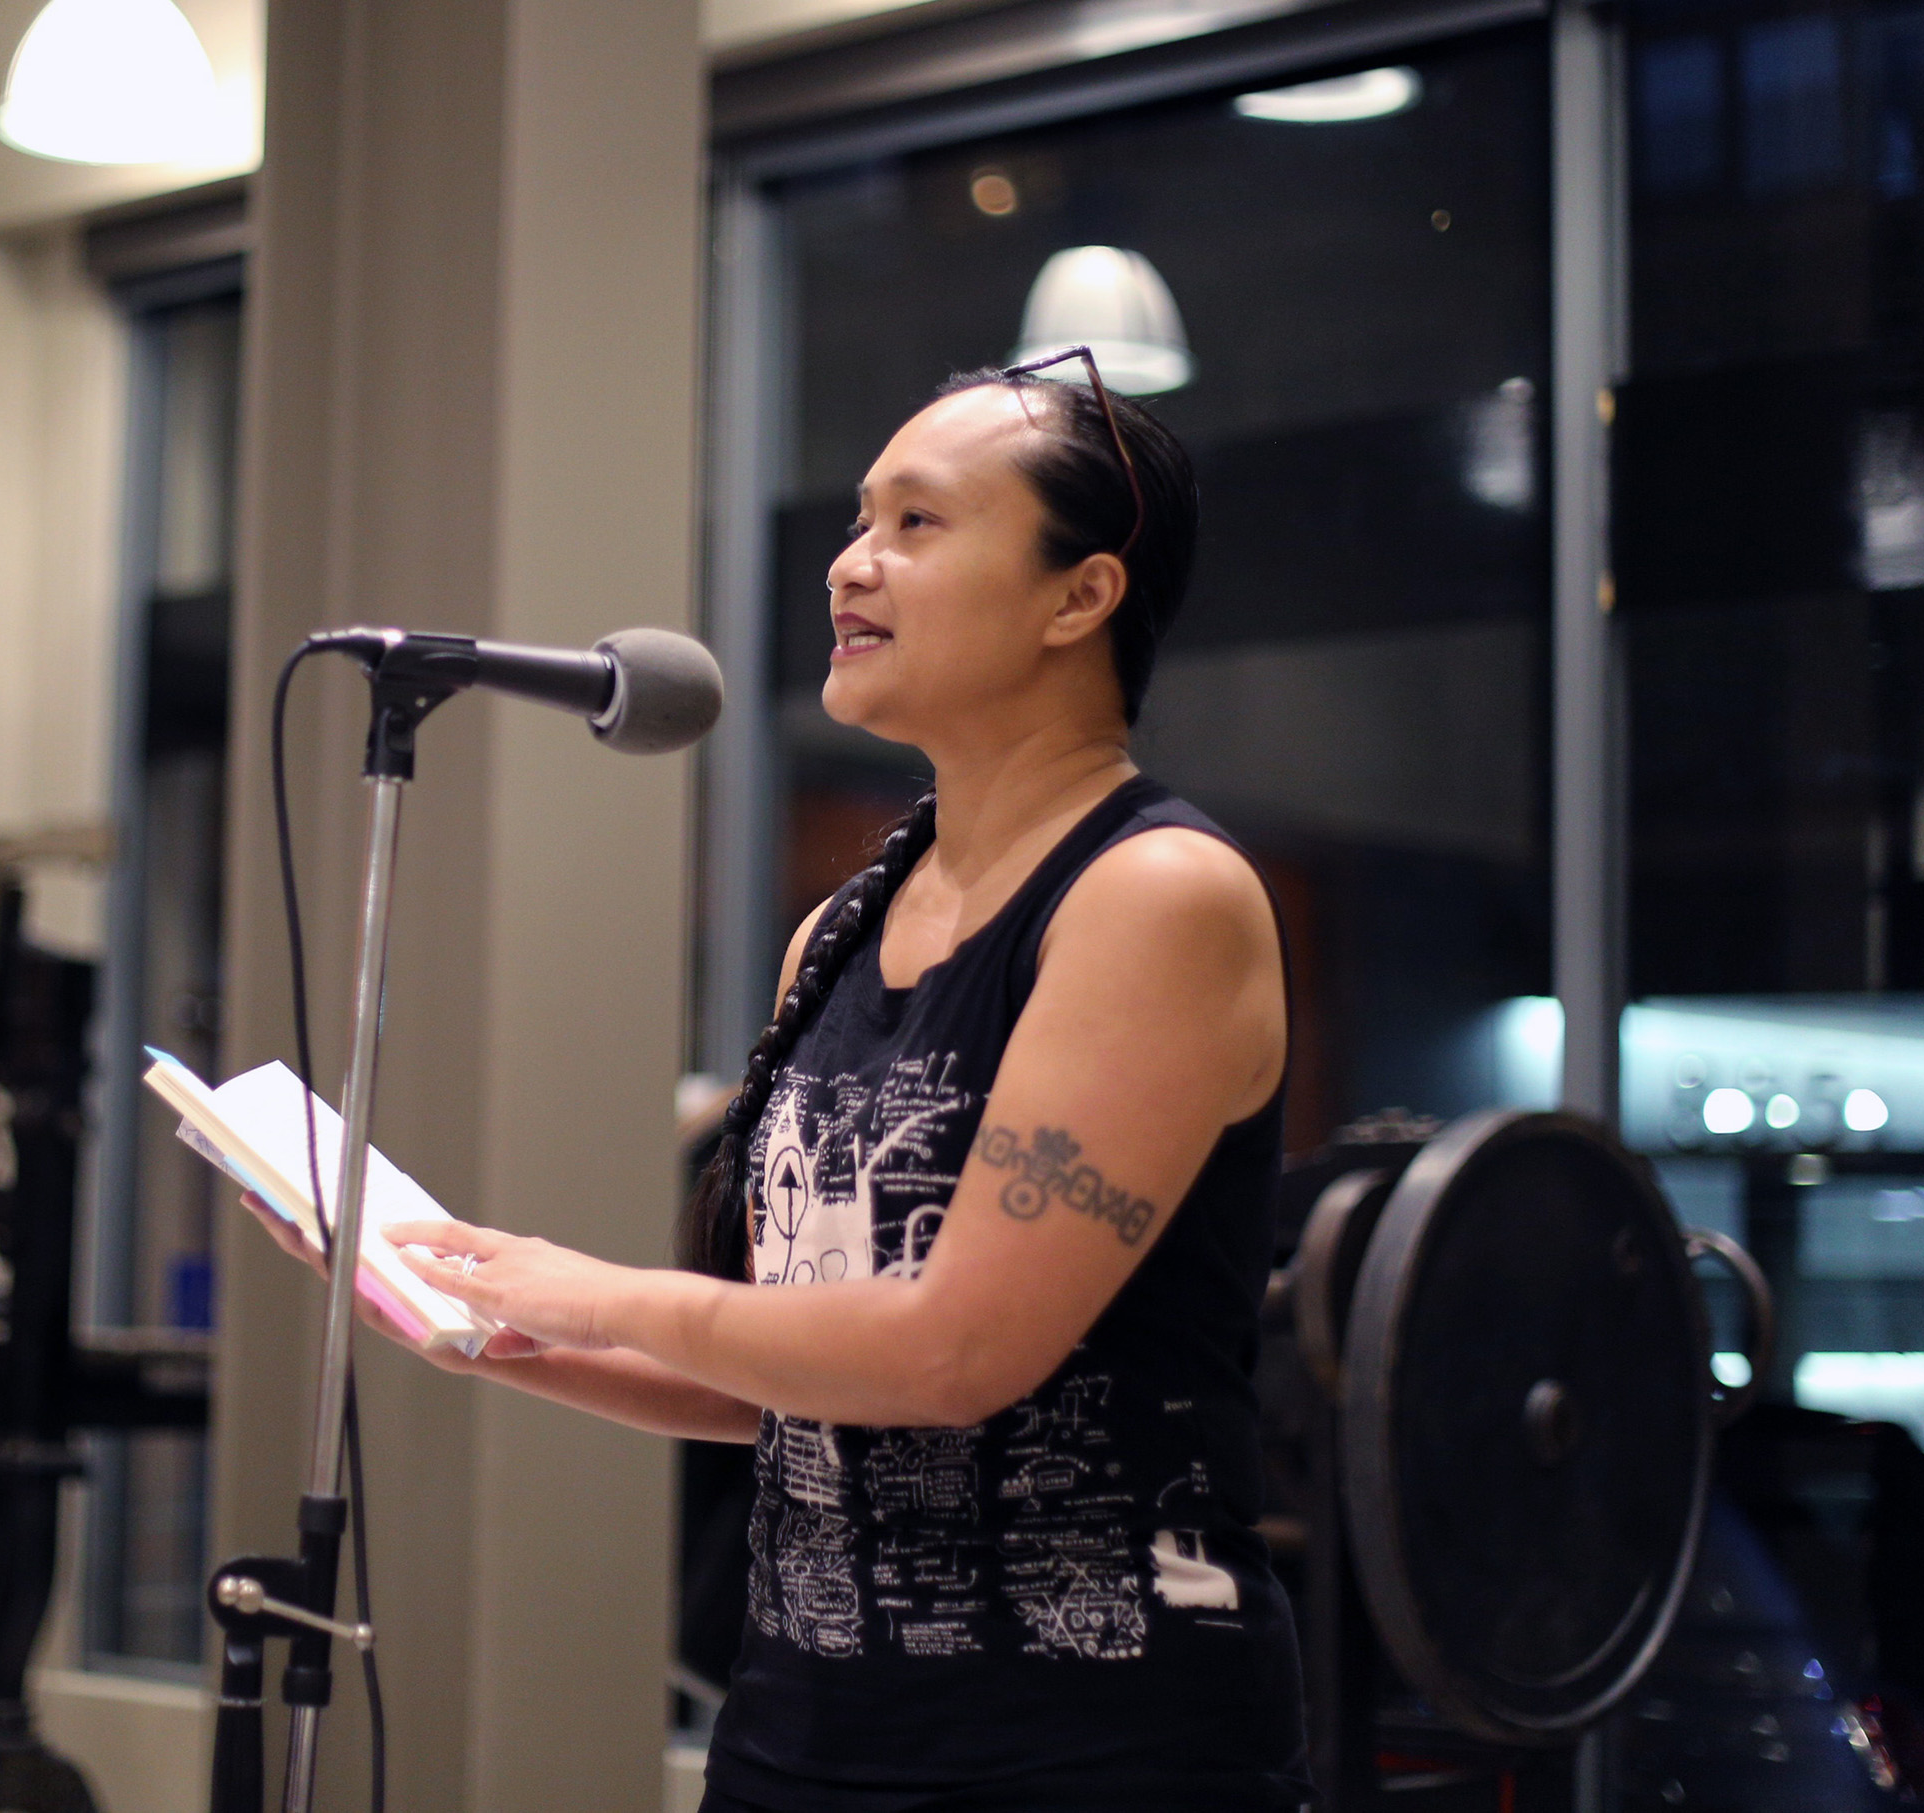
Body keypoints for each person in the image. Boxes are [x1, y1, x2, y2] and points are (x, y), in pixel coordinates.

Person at [251, 350, 1312, 1810]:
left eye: (917, 525)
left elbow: (952, 1355)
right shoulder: (844, 927)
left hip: (1088, 1753)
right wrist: (481, 1323)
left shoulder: (1156, 897)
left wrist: (578, 1284)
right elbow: (800, 1380)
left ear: (1082, 596)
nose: (849, 566)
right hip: (801, 1737)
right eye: (858, 520)